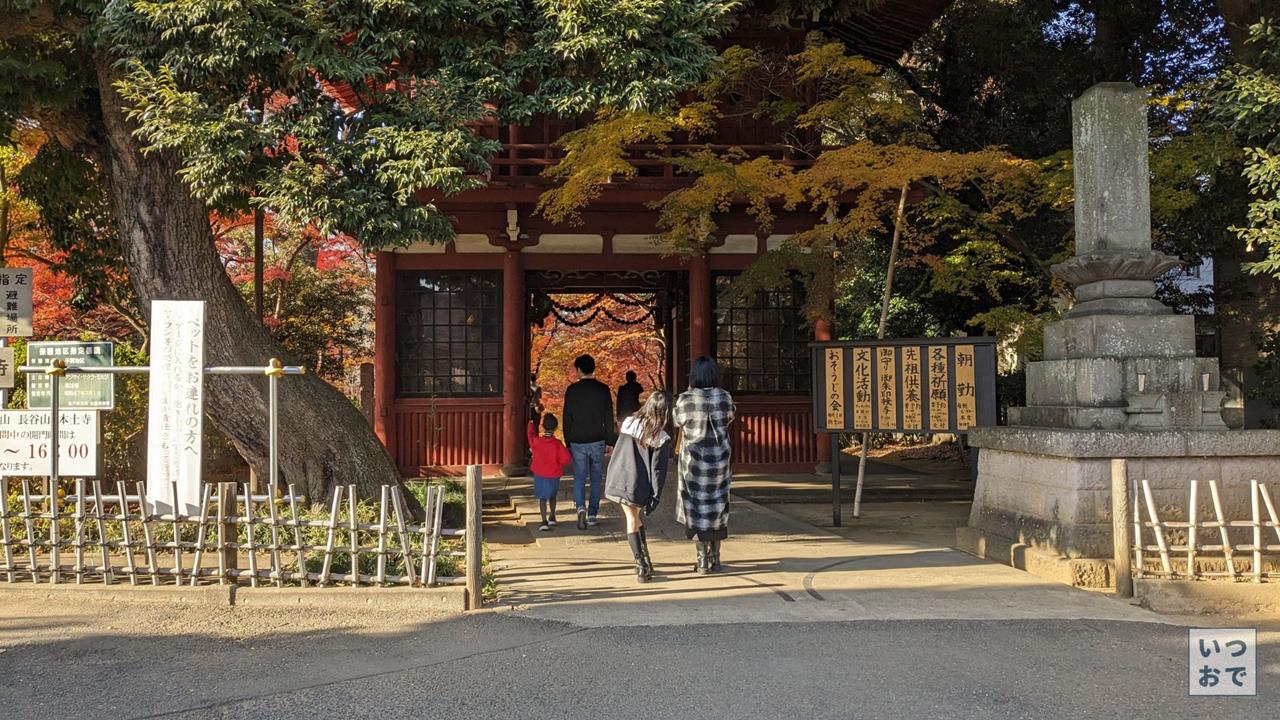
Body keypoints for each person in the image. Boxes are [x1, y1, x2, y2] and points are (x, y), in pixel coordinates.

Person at [673, 356, 735, 574]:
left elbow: (676, 420)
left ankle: (701, 560)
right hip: (719, 460)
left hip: (694, 462)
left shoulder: (685, 399)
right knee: (718, 505)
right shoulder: (725, 397)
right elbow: (730, 417)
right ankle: (716, 559)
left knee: (696, 507)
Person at [604, 392, 673, 583]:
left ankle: (645, 561)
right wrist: (655, 496)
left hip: (618, 475)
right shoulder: (660, 437)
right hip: (638, 482)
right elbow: (658, 470)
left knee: (634, 519)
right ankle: (641, 565)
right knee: (633, 520)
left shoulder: (628, 422)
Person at [562, 354, 614, 530]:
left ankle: (580, 507)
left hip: (577, 439)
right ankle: (592, 514)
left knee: (579, 476)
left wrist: (567, 440)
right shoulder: (603, 389)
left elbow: (567, 417)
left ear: (578, 370)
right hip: (598, 438)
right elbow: (608, 417)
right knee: (596, 477)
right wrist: (610, 439)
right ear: (593, 368)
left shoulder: (572, 390)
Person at [527, 414, 571, 531]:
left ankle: (543, 521)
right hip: (553, 474)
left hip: (540, 473)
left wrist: (531, 424)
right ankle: (552, 516)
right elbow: (566, 459)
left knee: (542, 497)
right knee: (552, 496)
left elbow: (530, 436)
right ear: (556, 427)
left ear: (542, 426)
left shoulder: (537, 442)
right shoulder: (557, 444)